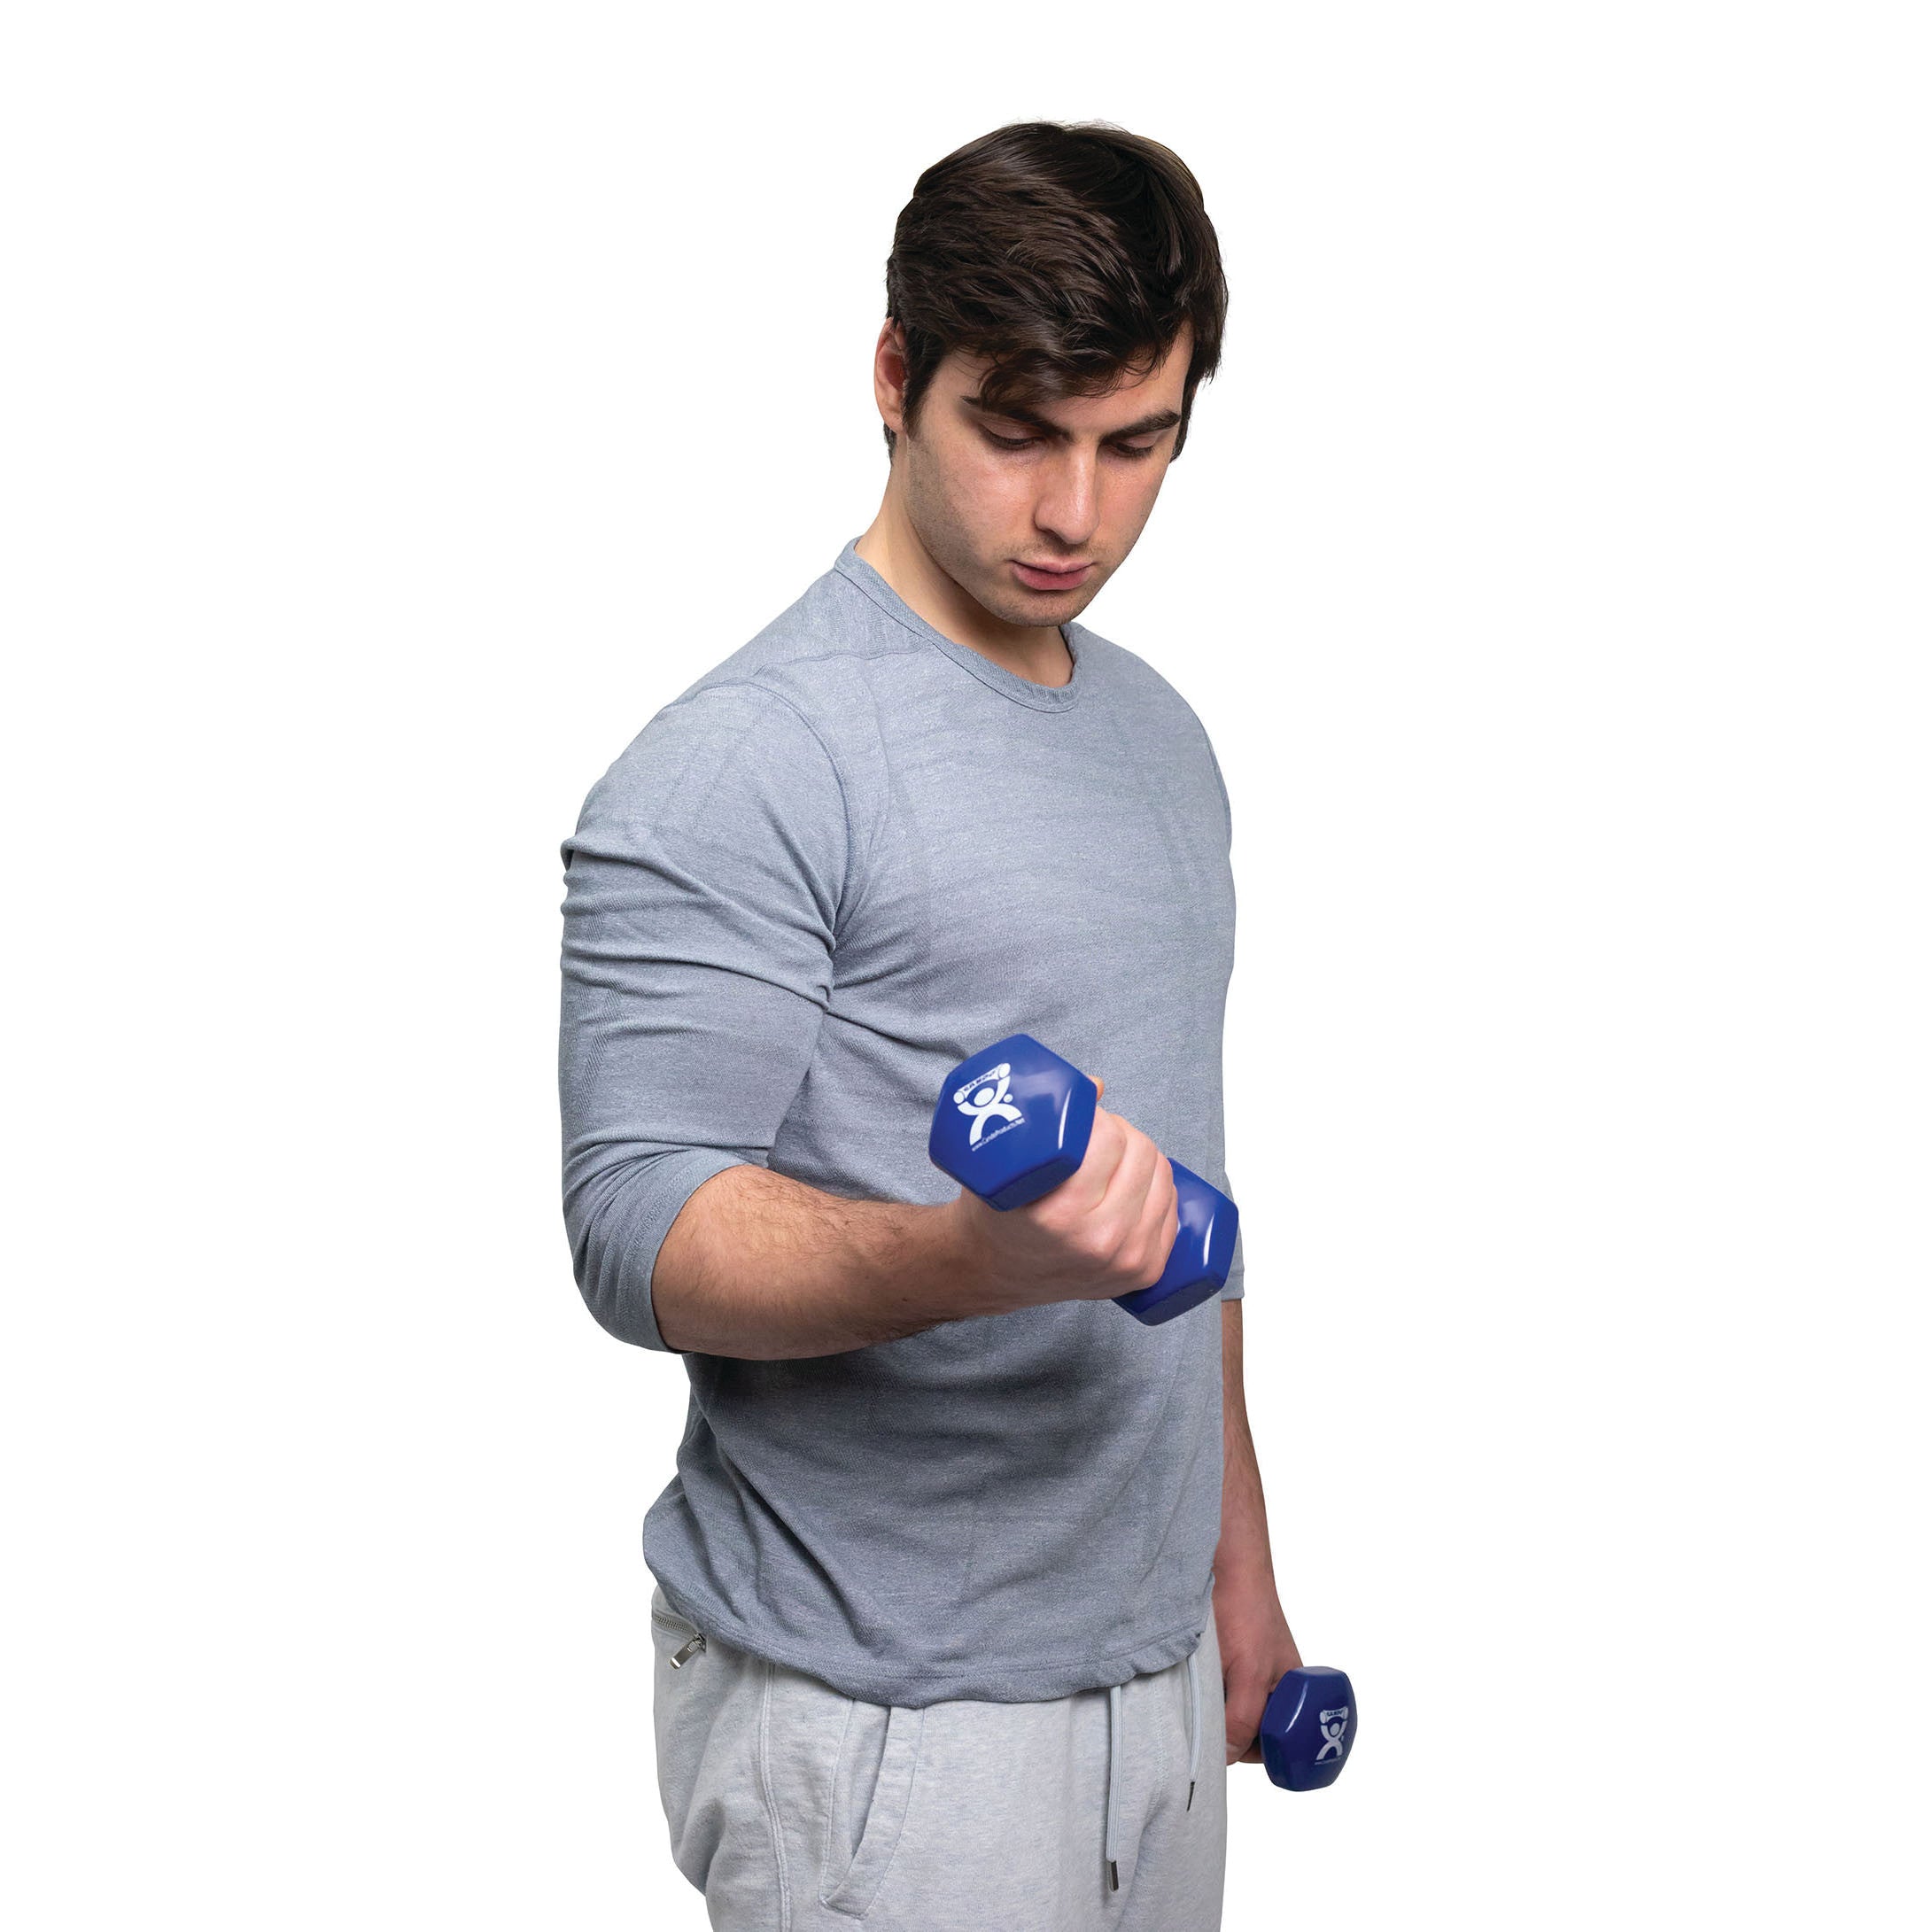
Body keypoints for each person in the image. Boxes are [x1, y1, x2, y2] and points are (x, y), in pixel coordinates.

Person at [557, 120, 1302, 1930]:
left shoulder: (1158, 741)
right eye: (1017, 432)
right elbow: (635, 1226)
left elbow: (1171, 1198)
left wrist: (1235, 1565)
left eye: (1137, 444)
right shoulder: (744, 758)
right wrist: (962, 1255)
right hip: (882, 1717)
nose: (1073, 512)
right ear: (896, 378)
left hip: (1145, 1688)